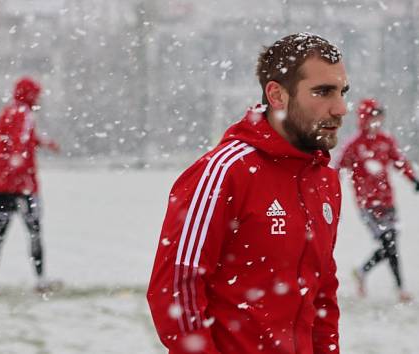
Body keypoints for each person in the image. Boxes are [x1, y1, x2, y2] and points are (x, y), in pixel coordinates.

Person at [147, 33, 348, 354]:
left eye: (341, 91)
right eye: (322, 92)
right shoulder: (225, 171)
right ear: (277, 95)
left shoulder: (324, 180)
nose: (340, 108)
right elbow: (176, 289)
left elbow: (322, 291)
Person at [335, 98, 419, 302]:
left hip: (387, 202)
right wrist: (325, 186)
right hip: (367, 205)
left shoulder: (386, 141)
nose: (377, 121)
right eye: (373, 117)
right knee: (389, 243)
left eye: (379, 117)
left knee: (391, 243)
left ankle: (364, 272)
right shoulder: (354, 145)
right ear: (364, 119)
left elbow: (400, 161)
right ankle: (399, 288)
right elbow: (337, 167)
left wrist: (413, 179)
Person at [0, 76, 60, 297]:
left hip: (3, 186)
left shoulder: (7, 112)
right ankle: (40, 281)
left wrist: (42, 144)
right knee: (35, 233)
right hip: (24, 187)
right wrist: (19, 165)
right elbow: (21, 141)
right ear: (30, 95)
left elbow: (19, 140)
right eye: (36, 95)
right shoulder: (25, 114)